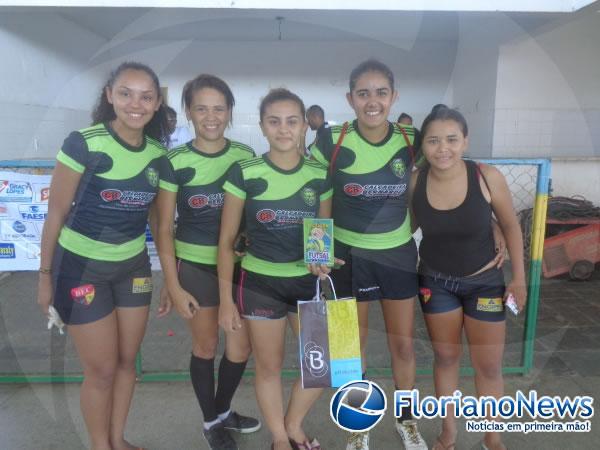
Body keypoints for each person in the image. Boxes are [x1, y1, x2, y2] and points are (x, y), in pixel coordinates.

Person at [37, 61, 173, 450]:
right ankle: (100, 445)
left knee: (127, 363)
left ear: (157, 102)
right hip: (81, 271)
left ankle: (117, 439)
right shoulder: (84, 142)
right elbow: (56, 213)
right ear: (110, 95)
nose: (136, 103)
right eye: (126, 93)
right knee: (100, 370)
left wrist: (170, 280)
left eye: (146, 96)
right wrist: (45, 277)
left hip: (133, 269)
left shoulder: (158, 157)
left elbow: (162, 227)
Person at [311, 59, 428, 450]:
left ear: (393, 97)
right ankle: (357, 428)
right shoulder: (331, 140)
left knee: (404, 345)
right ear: (350, 98)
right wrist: (318, 251)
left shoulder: (411, 138)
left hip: (396, 255)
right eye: (363, 93)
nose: (372, 101)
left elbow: (446, 178)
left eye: (381, 92)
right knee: (348, 350)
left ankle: (406, 420)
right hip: (344, 259)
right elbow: (312, 196)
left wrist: (494, 224)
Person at [218, 88, 332, 450]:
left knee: (321, 365)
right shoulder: (245, 171)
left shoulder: (319, 174)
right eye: (274, 121)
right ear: (263, 127)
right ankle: (281, 438)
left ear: (304, 126)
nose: (284, 129)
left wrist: (322, 257)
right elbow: (226, 241)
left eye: (292, 121)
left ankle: (294, 424)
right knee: (269, 367)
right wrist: (224, 299)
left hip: (307, 285)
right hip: (260, 284)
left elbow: (321, 232)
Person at [409, 107, 526, 450]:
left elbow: (510, 225)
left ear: (465, 142)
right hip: (436, 282)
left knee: (487, 365)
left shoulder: (486, 177)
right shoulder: (416, 181)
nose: (442, 148)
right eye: (433, 141)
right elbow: (407, 227)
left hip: (485, 282)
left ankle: (492, 438)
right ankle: (448, 433)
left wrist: (518, 277)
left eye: (451, 139)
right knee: (446, 359)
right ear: (424, 145)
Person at [155, 74, 260, 450]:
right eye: (202, 108)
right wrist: (172, 283)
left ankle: (222, 411)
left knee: (240, 349)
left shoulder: (246, 156)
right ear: (189, 111)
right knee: (206, 346)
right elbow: (164, 228)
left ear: (230, 111)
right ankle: (211, 421)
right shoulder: (175, 162)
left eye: (219, 108)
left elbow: (253, 218)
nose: (211, 116)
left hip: (237, 269)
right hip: (195, 269)